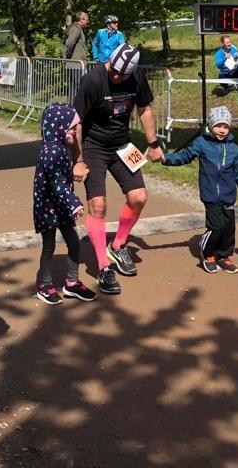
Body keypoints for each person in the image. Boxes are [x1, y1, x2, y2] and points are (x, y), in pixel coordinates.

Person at [72, 43, 164, 294]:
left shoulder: (136, 76)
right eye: (113, 71)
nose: (115, 77)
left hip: (123, 144)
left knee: (139, 197)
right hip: (93, 146)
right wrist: (78, 161)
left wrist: (153, 144)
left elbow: (145, 109)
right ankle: (103, 267)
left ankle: (118, 245)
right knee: (98, 206)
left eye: (121, 75)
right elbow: (77, 123)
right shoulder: (93, 80)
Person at [163, 106, 238, 273]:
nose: (222, 130)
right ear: (211, 126)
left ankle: (224, 256)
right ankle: (208, 253)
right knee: (217, 227)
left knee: (228, 229)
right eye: (218, 126)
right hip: (210, 195)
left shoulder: (234, 149)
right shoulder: (202, 143)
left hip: (228, 196)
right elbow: (184, 156)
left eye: (225, 126)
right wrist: (165, 158)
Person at [33, 103, 96, 305]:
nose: (74, 132)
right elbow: (56, 181)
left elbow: (61, 177)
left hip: (61, 206)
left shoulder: (60, 148)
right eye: (71, 127)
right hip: (48, 206)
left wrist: (72, 173)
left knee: (74, 242)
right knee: (49, 245)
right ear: (58, 126)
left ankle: (72, 282)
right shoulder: (51, 151)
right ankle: (45, 285)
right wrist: (73, 202)